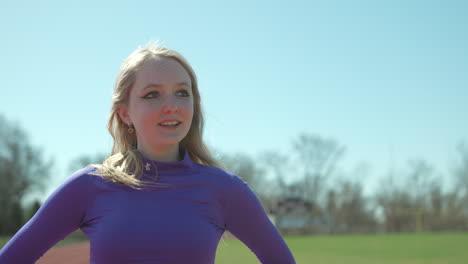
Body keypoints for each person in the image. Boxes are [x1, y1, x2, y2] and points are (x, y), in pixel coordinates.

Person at [0, 42, 296, 264]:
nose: (172, 105)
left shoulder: (225, 189)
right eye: (152, 94)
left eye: (183, 92)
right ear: (125, 113)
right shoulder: (89, 186)